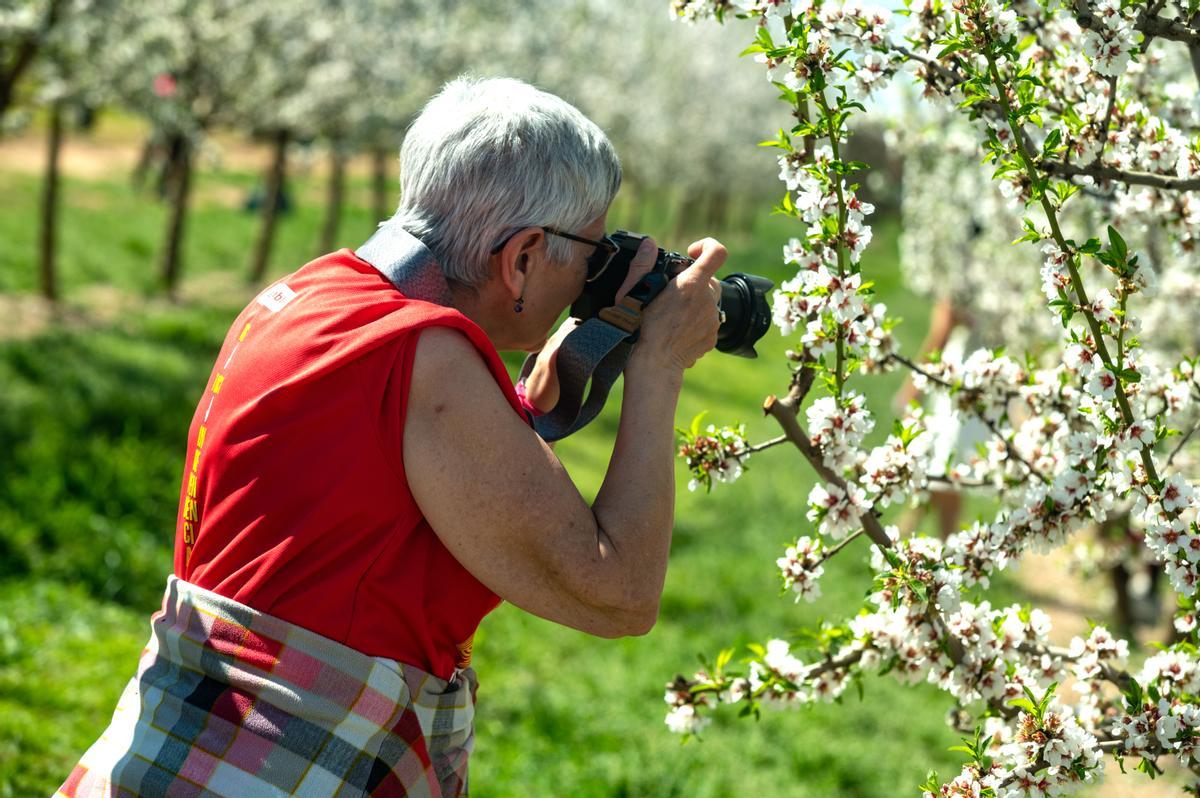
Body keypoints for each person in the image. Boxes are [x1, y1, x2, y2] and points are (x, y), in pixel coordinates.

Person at [56, 77, 725, 797]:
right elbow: (617, 594)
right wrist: (658, 365)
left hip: (186, 744)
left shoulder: (307, 299)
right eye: (589, 252)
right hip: (282, 767)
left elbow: (382, 498)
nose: (587, 277)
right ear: (525, 255)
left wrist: (535, 399)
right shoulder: (427, 360)